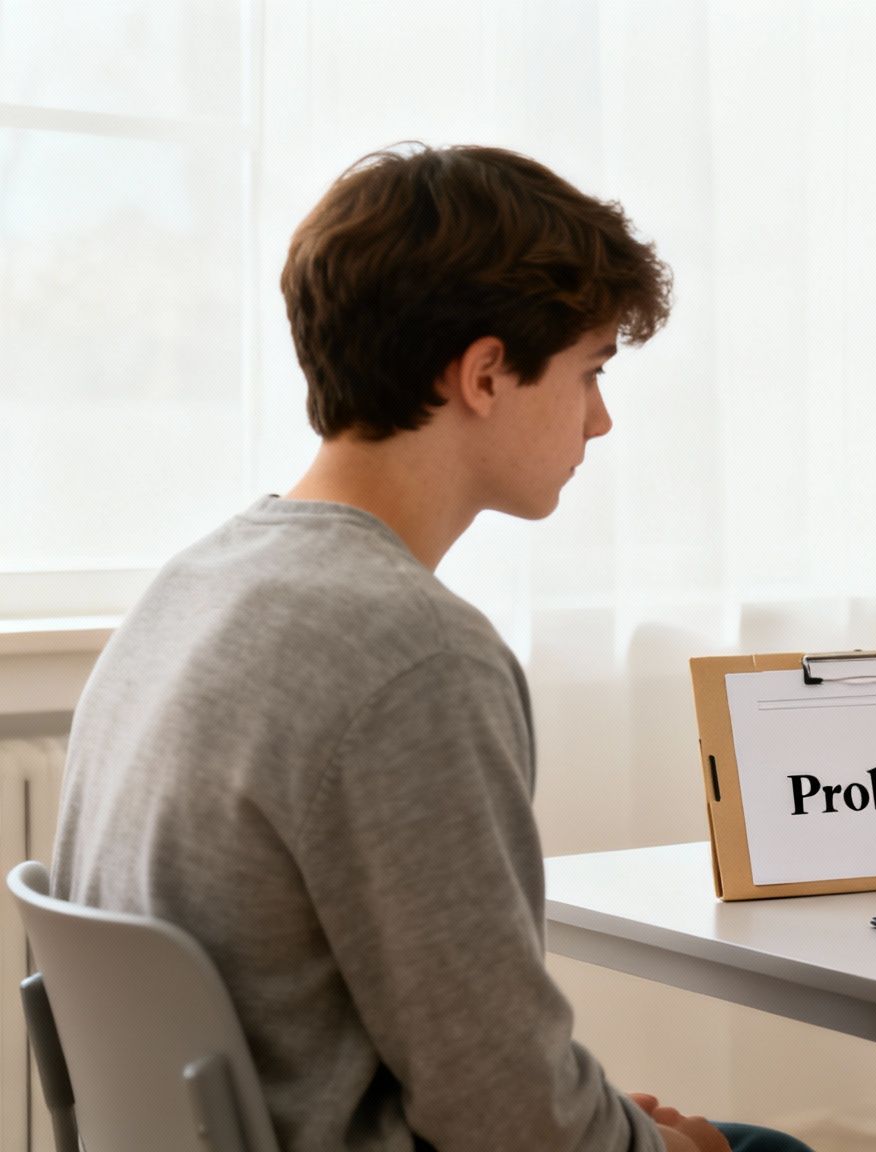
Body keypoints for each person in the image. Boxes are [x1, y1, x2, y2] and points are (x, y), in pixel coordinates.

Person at [53, 144, 811, 1152]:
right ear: (487, 374)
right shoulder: (411, 655)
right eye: (587, 372)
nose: (601, 418)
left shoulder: (194, 583)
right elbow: (505, 1115)